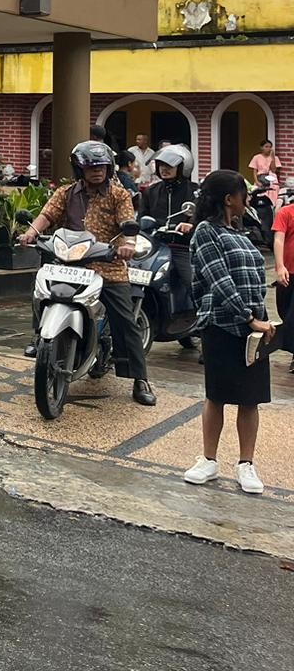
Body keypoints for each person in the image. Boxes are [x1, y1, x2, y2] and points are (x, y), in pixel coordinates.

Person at [19, 140, 155, 405]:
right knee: (40, 293)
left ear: (109, 167)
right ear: (79, 168)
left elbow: (129, 222)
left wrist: (127, 244)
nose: (96, 171)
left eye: (101, 166)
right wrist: (31, 232)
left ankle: (140, 379)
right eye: (90, 167)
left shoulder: (119, 194)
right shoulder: (66, 193)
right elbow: (47, 215)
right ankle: (42, 337)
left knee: (125, 322)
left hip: (108, 265)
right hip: (69, 265)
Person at [183, 170, 277, 494]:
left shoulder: (240, 232)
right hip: (223, 325)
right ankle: (208, 460)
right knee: (217, 395)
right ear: (229, 199)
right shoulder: (206, 232)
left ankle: (246, 464)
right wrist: (249, 316)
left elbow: (252, 276)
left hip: (254, 328)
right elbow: (217, 279)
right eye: (243, 194)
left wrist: (259, 319)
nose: (247, 200)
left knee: (250, 400)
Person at [142, 146, 198, 350]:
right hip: (155, 245)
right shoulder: (151, 191)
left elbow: (200, 216)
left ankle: (204, 328)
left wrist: (190, 224)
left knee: (193, 283)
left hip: (181, 246)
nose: (164, 169)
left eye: (170, 166)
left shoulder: (194, 191)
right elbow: (142, 217)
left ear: (182, 167)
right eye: (161, 165)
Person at [273, 193, 294, 374]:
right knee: (284, 311)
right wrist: (280, 266)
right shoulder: (286, 212)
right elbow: (279, 239)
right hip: (287, 273)